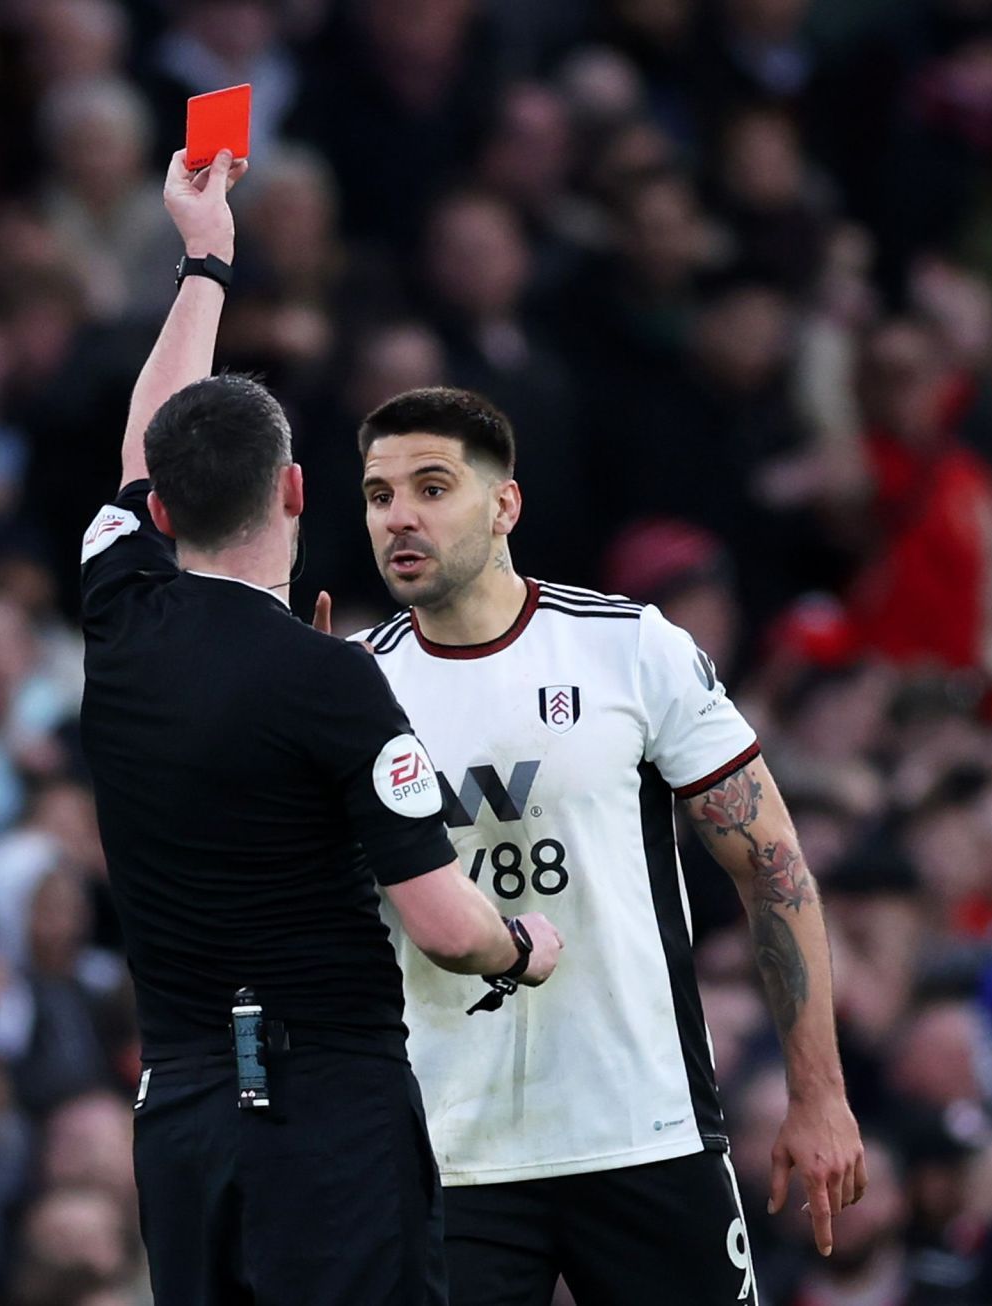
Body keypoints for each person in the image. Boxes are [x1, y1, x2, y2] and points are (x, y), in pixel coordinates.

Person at [76, 149, 562, 1305]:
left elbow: (148, 446)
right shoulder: (333, 682)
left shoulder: (119, 610)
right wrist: (522, 944)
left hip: (187, 1111)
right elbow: (446, 927)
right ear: (296, 493)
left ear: (160, 505)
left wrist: (205, 260)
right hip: (328, 1116)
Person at [342, 386, 864, 1303]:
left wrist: (818, 1091)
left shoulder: (630, 649)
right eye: (381, 496)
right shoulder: (350, 687)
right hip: (445, 1152)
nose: (401, 518)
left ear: (504, 505)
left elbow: (773, 868)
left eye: (431, 487)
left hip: (646, 1129)